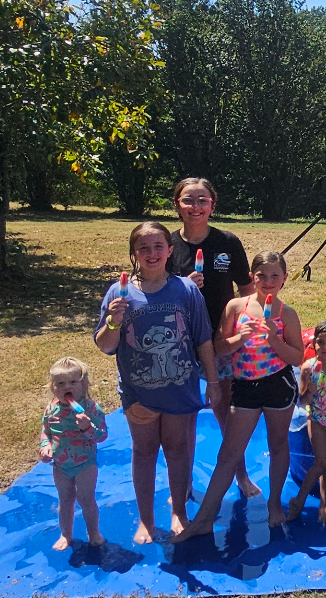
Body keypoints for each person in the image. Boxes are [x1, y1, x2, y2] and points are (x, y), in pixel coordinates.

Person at [95, 221, 221, 542]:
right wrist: (113, 320)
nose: (151, 253)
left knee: (178, 449)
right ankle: (146, 521)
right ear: (135, 253)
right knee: (145, 450)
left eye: (158, 247)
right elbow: (106, 345)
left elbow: (203, 339)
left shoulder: (186, 290)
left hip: (180, 388)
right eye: (144, 248)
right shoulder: (118, 294)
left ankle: (179, 510)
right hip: (140, 392)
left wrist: (215, 381)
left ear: (170, 250)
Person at [175, 250, 303, 538]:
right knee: (229, 452)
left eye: (274, 276)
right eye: (262, 275)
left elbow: (297, 357)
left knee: (278, 444)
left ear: (284, 278)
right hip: (244, 386)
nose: (268, 281)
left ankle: (273, 504)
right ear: (251, 277)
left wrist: (274, 340)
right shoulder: (236, 306)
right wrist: (238, 339)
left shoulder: (287, 313)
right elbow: (219, 346)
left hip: (278, 386)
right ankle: (205, 518)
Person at [168, 177, 257, 500]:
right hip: (178, 342)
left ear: (212, 205)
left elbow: (247, 291)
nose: (196, 207)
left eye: (202, 200)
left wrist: (245, 326)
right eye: (189, 200)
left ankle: (242, 475)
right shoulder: (166, 245)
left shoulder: (227, 242)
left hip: (222, 340)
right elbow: (151, 289)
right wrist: (181, 285)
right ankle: (184, 482)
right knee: (185, 416)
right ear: (177, 204)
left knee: (225, 411)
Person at [40, 356, 107, 550]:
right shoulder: (51, 409)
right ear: (53, 388)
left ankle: (93, 533)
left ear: (84, 384)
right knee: (65, 499)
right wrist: (45, 446)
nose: (66, 387)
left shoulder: (91, 409)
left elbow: (101, 436)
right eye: (60, 383)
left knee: (87, 500)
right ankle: (65, 534)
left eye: (72, 382)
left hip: (85, 464)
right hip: (60, 465)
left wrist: (87, 427)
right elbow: (46, 431)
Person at [286, 319, 326, 524]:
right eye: (320, 342)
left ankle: (324, 504)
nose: (325, 347)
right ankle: (299, 499)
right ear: (314, 345)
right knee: (321, 460)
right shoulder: (308, 368)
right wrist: (309, 393)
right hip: (317, 417)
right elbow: (302, 402)